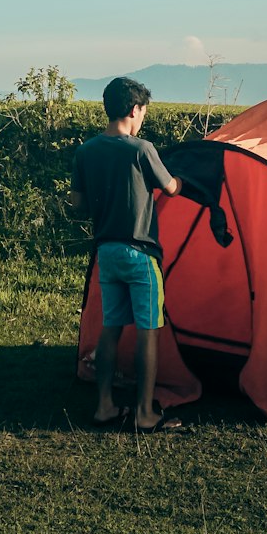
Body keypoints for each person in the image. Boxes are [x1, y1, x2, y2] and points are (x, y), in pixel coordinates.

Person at [69, 76, 185, 433]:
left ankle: (104, 407)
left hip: (107, 252)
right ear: (134, 110)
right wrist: (182, 179)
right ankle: (144, 414)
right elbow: (170, 187)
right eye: (143, 113)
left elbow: (77, 204)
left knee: (111, 329)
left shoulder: (85, 151)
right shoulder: (141, 149)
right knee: (149, 332)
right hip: (140, 253)